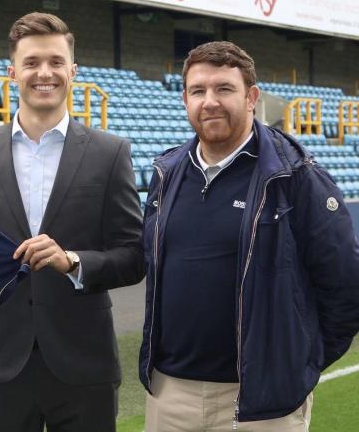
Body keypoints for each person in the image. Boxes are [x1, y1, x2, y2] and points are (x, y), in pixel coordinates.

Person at [0, 12, 144, 432]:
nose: (45, 73)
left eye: (56, 62)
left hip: (84, 365)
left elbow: (133, 256)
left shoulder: (110, 153)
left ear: (73, 71)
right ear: (12, 71)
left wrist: (73, 261)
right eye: (32, 62)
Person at [139, 41, 359, 431]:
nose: (210, 101)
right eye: (198, 90)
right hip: (170, 394)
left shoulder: (295, 176)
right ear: (185, 99)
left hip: (260, 404)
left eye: (224, 89)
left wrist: (297, 360)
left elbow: (345, 285)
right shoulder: (167, 174)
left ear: (251, 96)